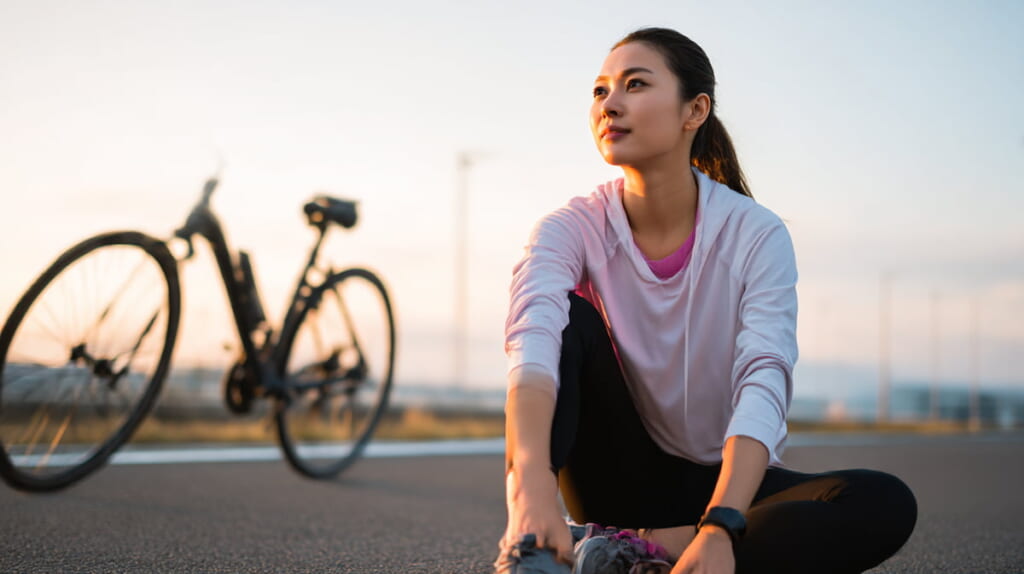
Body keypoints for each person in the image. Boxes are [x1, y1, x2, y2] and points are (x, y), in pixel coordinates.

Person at [494, 27, 917, 574]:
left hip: (730, 484)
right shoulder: (568, 228)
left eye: (635, 84)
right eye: (600, 91)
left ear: (695, 110)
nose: (610, 104)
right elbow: (530, 352)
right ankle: (600, 540)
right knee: (566, 320)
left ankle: (633, 550)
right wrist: (529, 491)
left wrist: (721, 524)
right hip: (619, 477)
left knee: (882, 502)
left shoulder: (755, 234)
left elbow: (764, 377)